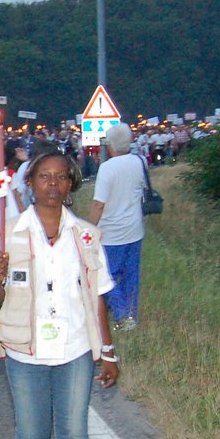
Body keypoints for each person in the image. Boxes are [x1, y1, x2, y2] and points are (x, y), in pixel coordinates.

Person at [0, 147, 119, 439]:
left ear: (70, 185)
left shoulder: (86, 236)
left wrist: (107, 351)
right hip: (24, 350)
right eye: (43, 176)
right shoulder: (7, 234)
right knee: (32, 436)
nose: (52, 184)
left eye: (60, 177)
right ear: (28, 184)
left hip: (75, 350)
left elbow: (98, 297)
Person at [89, 123, 147, 331]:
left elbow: (98, 204)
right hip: (134, 229)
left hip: (111, 233)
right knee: (131, 275)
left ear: (110, 145)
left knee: (107, 275)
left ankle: (122, 315)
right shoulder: (140, 162)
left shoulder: (107, 168)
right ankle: (131, 314)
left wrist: (89, 228)